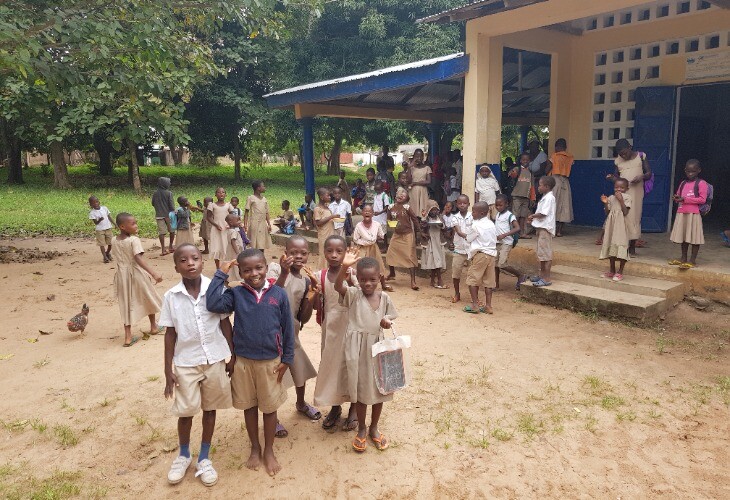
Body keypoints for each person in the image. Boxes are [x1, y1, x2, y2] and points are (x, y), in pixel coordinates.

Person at [206, 249, 294, 477]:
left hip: (271, 363)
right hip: (243, 361)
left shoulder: (278, 294)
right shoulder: (236, 294)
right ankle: (255, 446)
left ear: (266, 267)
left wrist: (287, 359)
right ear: (240, 272)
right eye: (247, 270)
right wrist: (220, 274)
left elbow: (287, 329)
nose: (254, 273)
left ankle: (269, 450)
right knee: (249, 406)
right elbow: (213, 303)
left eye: (258, 268)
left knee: (269, 406)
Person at [161, 244, 234, 487]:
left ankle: (204, 457)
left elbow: (225, 325)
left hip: (214, 359)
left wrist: (231, 355)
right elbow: (170, 334)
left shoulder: (215, 289)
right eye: (184, 260)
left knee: (210, 408)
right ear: (176, 267)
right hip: (186, 362)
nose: (190, 263)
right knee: (186, 410)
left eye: (195, 258)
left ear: (203, 262)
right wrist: (167, 369)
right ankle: (183, 454)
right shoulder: (171, 297)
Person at [334, 252, 398, 452]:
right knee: (361, 391)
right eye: (362, 280)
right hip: (357, 350)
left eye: (372, 279)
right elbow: (338, 287)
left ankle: (374, 428)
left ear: (380, 278)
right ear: (357, 280)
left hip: (377, 349)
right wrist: (344, 267)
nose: (367, 284)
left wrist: (386, 322)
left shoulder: (385, 297)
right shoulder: (353, 294)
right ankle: (361, 429)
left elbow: (389, 319)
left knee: (379, 389)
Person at [267, 236, 321, 435]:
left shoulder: (306, 280)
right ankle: (273, 415)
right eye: (293, 252)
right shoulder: (274, 269)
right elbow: (271, 296)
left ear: (308, 254)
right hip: (271, 333)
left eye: (303, 253)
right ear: (285, 252)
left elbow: (303, 317)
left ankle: (301, 404)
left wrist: (312, 295)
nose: (298, 256)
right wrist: (283, 272)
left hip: (292, 333)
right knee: (273, 376)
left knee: (299, 371)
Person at [313, 235, 359, 433]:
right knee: (332, 368)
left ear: (346, 252)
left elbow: (362, 297)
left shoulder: (353, 274)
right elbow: (316, 306)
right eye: (330, 251)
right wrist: (314, 293)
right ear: (323, 252)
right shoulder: (318, 276)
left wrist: (353, 278)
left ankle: (355, 408)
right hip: (330, 329)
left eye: (339, 251)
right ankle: (335, 406)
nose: (334, 255)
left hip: (352, 327)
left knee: (352, 365)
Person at [111, 213, 163, 347]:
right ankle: (153, 326)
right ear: (122, 226)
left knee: (125, 303)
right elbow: (138, 259)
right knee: (147, 296)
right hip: (136, 273)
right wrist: (153, 273)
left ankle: (128, 337)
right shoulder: (134, 240)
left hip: (121, 276)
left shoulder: (113, 240)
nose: (136, 226)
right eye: (133, 224)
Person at [609, 138, 651, 255]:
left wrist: (641, 177)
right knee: (623, 217)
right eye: (621, 154)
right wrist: (612, 178)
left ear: (630, 147)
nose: (623, 155)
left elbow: (649, 173)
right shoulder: (618, 161)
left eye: (625, 152)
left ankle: (632, 247)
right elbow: (617, 178)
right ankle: (623, 247)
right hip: (623, 193)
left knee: (634, 217)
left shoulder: (641, 156)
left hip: (636, 192)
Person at [669, 159, 708, 269]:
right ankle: (683, 258)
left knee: (695, 237)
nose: (690, 174)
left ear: (699, 170)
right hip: (682, 212)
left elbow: (702, 200)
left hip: (693, 214)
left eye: (693, 171)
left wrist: (685, 199)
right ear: (685, 170)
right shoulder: (683, 183)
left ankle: (692, 260)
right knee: (684, 237)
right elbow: (679, 196)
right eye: (688, 171)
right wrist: (676, 198)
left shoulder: (701, 183)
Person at [463, 202, 497, 314]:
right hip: (491, 255)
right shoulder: (491, 224)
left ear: (481, 213)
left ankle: (475, 304)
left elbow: (468, 239)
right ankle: (489, 306)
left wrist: (463, 234)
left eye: (473, 211)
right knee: (489, 282)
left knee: (472, 279)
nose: (472, 213)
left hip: (481, 254)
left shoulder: (476, 225)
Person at [352, 204, 394, 292]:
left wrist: (373, 239)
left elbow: (382, 235)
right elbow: (355, 239)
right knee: (360, 266)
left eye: (369, 211)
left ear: (373, 214)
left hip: (373, 248)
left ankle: (383, 284)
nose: (367, 212)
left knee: (379, 266)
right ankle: (357, 286)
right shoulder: (359, 226)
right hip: (362, 248)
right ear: (362, 213)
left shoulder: (377, 224)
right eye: (365, 211)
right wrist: (365, 242)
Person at [385, 191, 420, 291]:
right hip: (397, 234)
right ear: (395, 196)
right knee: (390, 253)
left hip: (408, 234)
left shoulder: (407, 208)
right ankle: (392, 273)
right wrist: (390, 223)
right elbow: (388, 219)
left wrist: (419, 233)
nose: (400, 195)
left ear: (406, 200)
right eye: (399, 193)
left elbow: (415, 220)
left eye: (403, 195)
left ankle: (413, 281)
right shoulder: (390, 207)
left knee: (410, 256)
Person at [599, 178, 632, 281]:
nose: (619, 189)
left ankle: (620, 272)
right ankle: (612, 270)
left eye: (622, 187)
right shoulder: (611, 198)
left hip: (621, 226)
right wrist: (605, 202)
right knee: (611, 245)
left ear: (627, 188)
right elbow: (607, 213)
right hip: (611, 226)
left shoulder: (627, 197)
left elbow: (625, 212)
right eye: (616, 187)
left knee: (621, 246)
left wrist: (621, 199)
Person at [527, 176, 557, 287]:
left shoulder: (549, 198)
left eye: (540, 185)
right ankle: (542, 275)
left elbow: (543, 213)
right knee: (542, 254)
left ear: (547, 186)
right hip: (542, 228)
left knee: (546, 255)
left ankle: (546, 278)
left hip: (545, 229)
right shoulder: (545, 197)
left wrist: (532, 216)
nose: (538, 187)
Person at [493, 194, 525, 290]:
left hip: (506, 242)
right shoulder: (498, 214)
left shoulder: (510, 216)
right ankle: (496, 284)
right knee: (495, 264)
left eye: (500, 205)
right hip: (498, 242)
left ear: (507, 204)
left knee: (501, 264)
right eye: (496, 205)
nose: (498, 207)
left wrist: (504, 235)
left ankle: (520, 275)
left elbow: (517, 228)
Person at [544, 138, 574, 237]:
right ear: (565, 147)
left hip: (554, 181)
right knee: (564, 206)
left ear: (556, 147)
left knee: (552, 205)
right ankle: (559, 231)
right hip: (565, 182)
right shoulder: (570, 157)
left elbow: (547, 168)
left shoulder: (554, 156)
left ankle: (551, 230)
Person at [450, 195, 473, 304]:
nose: (462, 205)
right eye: (460, 203)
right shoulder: (455, 217)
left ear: (469, 204)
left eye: (464, 203)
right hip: (459, 249)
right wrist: (470, 237)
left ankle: (474, 297)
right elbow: (458, 232)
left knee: (473, 275)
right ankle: (457, 293)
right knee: (456, 274)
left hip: (471, 250)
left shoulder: (473, 216)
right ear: (457, 204)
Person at [420, 199, 448, 289]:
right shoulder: (426, 218)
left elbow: (444, 228)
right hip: (430, 242)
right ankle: (436, 280)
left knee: (438, 260)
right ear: (428, 210)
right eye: (432, 210)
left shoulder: (440, 218)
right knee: (433, 261)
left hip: (438, 242)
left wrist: (441, 225)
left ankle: (437, 279)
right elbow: (422, 226)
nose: (434, 212)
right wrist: (424, 217)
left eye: (435, 210)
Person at [510, 152, 535, 239]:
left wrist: (532, 198)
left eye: (527, 160)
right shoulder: (517, 169)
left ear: (530, 161)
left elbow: (532, 186)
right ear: (520, 161)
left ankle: (522, 233)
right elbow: (512, 174)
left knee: (523, 216)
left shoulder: (530, 172)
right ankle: (514, 233)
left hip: (526, 197)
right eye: (523, 160)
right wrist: (512, 172)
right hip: (517, 196)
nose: (525, 161)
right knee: (516, 215)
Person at [206, 187, 232, 269]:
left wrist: (229, 225)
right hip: (216, 229)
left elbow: (233, 216)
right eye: (219, 192)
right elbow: (209, 217)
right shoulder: (212, 205)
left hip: (226, 229)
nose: (221, 194)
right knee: (217, 247)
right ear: (215, 194)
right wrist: (216, 225)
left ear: (225, 194)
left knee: (226, 247)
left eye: (223, 192)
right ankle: (218, 268)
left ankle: (227, 267)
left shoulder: (228, 205)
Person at [245, 180, 272, 252]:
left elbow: (267, 213)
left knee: (261, 243)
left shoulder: (264, 199)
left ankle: (261, 259)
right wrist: (245, 225)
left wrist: (269, 224)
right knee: (254, 243)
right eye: (263, 186)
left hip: (263, 224)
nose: (265, 187)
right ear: (258, 188)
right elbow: (246, 212)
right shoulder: (251, 198)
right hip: (254, 223)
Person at [152, 176, 176, 256]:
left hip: (159, 215)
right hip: (168, 215)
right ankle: (170, 246)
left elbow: (153, 203)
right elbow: (172, 206)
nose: (170, 184)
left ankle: (163, 249)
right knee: (172, 231)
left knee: (162, 232)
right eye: (169, 182)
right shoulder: (169, 193)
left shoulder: (155, 193)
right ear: (165, 184)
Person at [88, 195, 116, 263]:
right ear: (91, 205)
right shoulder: (92, 213)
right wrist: (100, 220)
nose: (95, 204)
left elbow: (109, 217)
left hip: (108, 228)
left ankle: (107, 253)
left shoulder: (105, 208)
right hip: (100, 230)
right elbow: (96, 223)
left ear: (99, 202)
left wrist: (115, 224)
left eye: (97, 202)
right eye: (93, 203)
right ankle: (104, 257)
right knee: (102, 244)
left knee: (110, 243)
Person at [314, 187, 337, 269]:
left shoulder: (327, 207)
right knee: (324, 253)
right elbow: (318, 223)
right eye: (328, 195)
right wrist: (331, 217)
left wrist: (334, 219)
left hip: (330, 233)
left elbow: (327, 220)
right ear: (321, 197)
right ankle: (322, 271)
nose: (330, 197)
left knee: (330, 252)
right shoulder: (317, 209)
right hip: (323, 235)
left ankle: (329, 269)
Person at [407, 148, 431, 220]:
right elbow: (408, 181)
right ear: (414, 157)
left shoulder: (427, 168)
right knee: (413, 211)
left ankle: (422, 228)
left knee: (423, 211)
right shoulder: (411, 168)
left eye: (421, 156)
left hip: (423, 191)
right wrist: (409, 168)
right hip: (413, 192)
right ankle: (414, 228)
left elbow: (428, 181)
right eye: (417, 156)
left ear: (423, 157)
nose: (419, 158)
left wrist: (415, 183)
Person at [224, 214, 245, 281]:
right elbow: (233, 242)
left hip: (230, 250)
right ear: (231, 222)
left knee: (231, 264)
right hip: (235, 251)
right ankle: (237, 278)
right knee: (236, 264)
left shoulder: (229, 230)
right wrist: (238, 253)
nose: (239, 221)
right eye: (237, 220)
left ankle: (230, 278)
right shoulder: (234, 232)